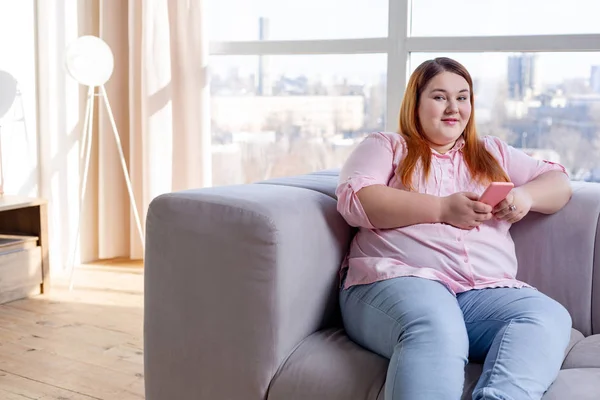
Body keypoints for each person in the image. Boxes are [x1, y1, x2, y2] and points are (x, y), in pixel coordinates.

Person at [336, 57, 573, 400]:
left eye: (463, 98)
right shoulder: (387, 146)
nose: (453, 108)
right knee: (437, 325)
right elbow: (356, 199)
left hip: (479, 293)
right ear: (415, 103)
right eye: (439, 97)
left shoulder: (492, 153)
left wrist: (524, 196)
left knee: (546, 315)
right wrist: (442, 208)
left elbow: (558, 182)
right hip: (396, 281)